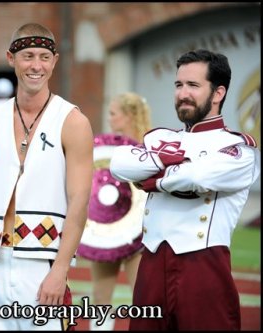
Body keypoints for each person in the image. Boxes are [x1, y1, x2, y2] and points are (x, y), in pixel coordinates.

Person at [0, 22, 94, 330]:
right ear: (11, 58)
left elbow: (79, 201)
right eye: (28, 55)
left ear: (55, 61)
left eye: (44, 56)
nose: (36, 65)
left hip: (41, 263)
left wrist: (59, 271)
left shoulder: (73, 122)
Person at [109, 49, 261, 330]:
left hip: (204, 269)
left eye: (193, 85)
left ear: (218, 93)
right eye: (179, 85)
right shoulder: (160, 137)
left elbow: (199, 175)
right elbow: (119, 162)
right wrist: (163, 161)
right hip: (151, 264)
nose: (182, 94)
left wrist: (155, 179)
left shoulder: (239, 149)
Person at [77, 92, 152, 331]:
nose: (109, 119)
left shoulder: (151, 146)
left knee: (143, 301)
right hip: (104, 233)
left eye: (113, 113)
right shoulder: (101, 148)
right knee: (100, 298)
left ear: (129, 115)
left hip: (140, 236)